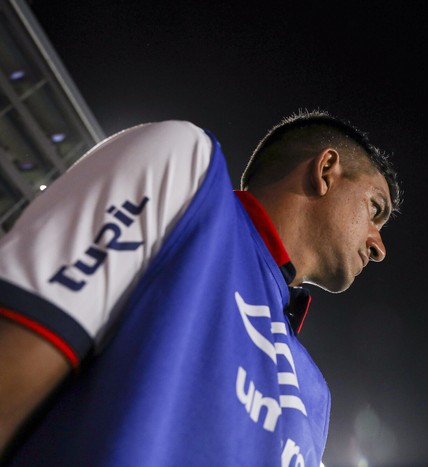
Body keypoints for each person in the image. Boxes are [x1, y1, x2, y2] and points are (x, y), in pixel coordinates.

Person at [0, 111, 401, 466]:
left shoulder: (315, 394)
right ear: (327, 170)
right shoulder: (187, 173)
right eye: (374, 209)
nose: (378, 246)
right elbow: (17, 351)